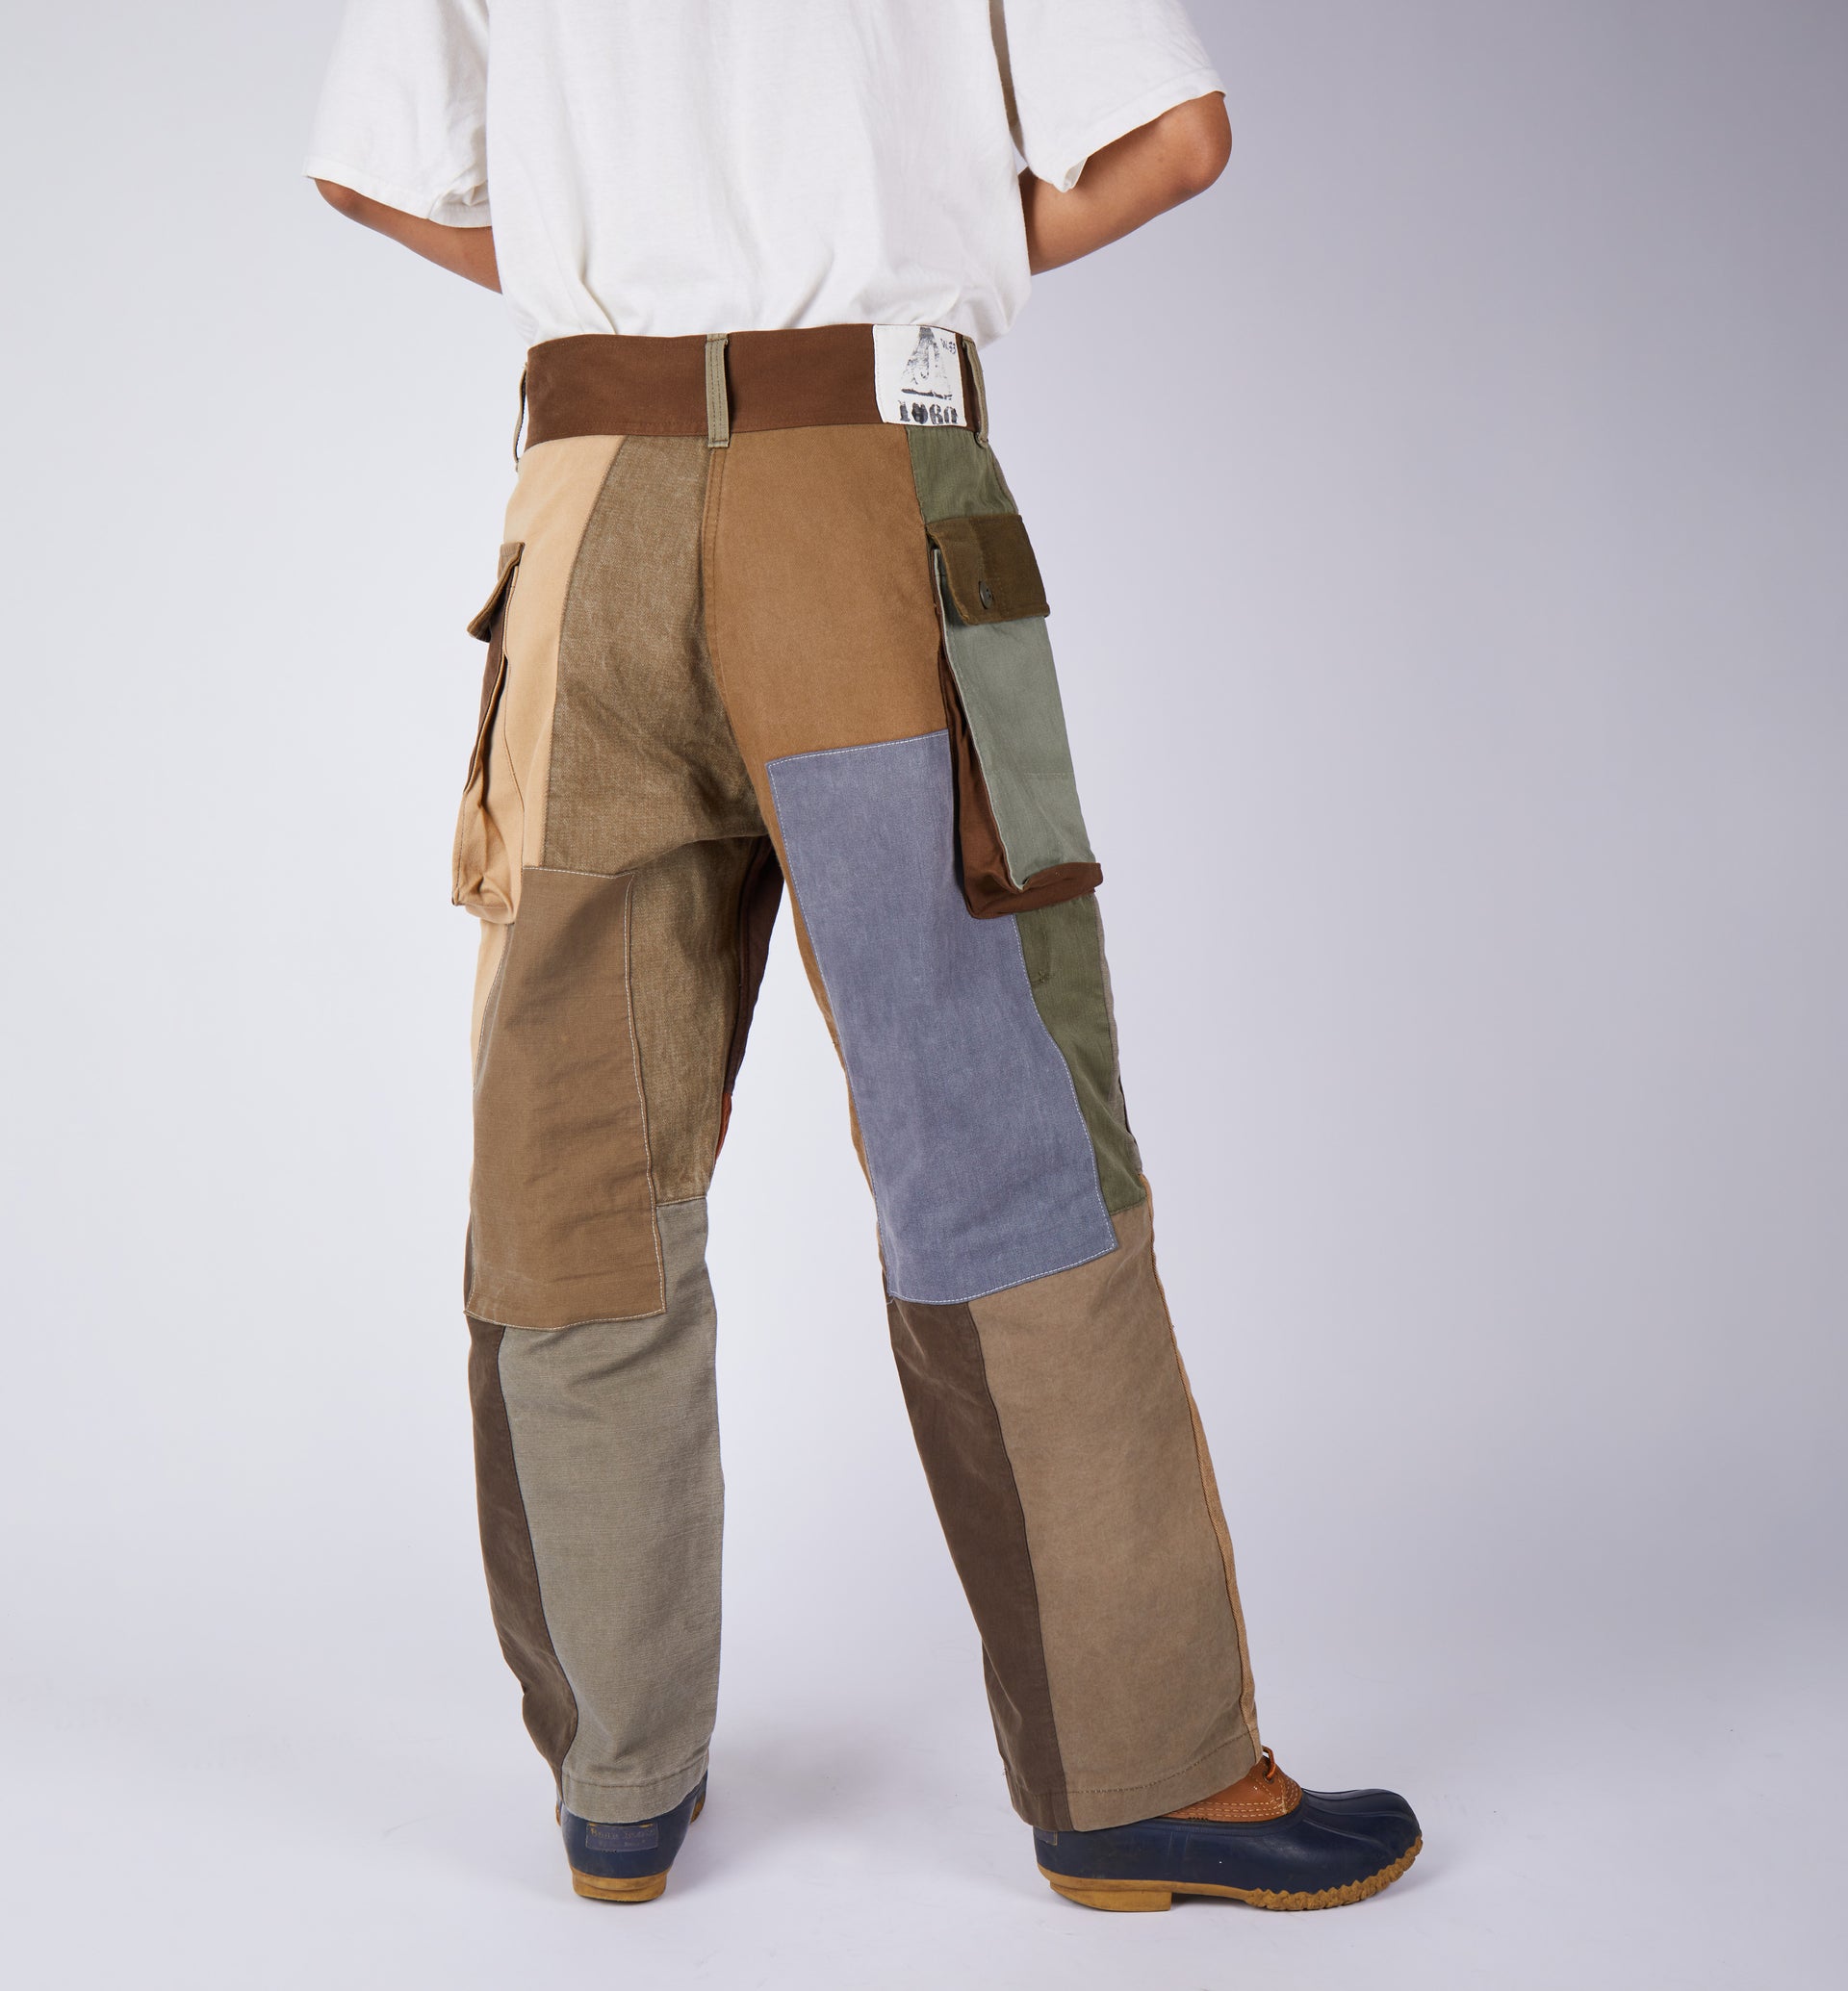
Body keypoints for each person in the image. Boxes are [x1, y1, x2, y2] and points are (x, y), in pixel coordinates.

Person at [306, 0, 1420, 1915]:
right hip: (862, 494)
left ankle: (617, 1782)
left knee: (577, 1161)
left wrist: (619, 285)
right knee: (996, 1139)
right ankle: (1140, 1777)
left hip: (584, 512)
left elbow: (369, 168)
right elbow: (1173, 142)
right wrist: (946, 245)